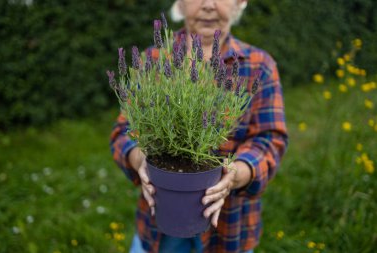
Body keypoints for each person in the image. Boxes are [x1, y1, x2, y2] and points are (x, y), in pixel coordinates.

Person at [110, 0, 288, 252]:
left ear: (240, 3)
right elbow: (123, 132)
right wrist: (140, 160)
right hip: (159, 223)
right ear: (180, 3)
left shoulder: (259, 65)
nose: (208, 5)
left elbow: (270, 140)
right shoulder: (153, 61)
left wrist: (236, 173)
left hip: (229, 228)